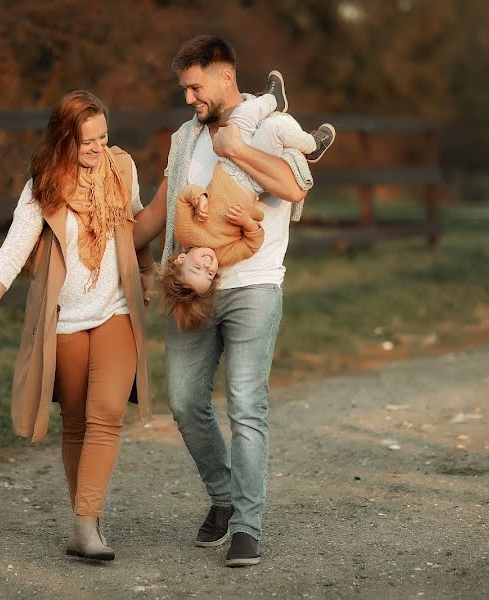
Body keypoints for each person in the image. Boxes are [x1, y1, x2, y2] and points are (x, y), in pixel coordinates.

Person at [133, 35, 315, 568]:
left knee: (245, 403)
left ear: (224, 77)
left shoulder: (268, 126)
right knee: (187, 403)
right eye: (185, 89)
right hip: (193, 288)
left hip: (254, 284)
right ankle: (224, 496)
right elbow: (157, 213)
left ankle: (247, 527)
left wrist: (235, 149)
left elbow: (295, 187)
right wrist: (112, 248)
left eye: (195, 87)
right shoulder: (184, 140)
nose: (189, 97)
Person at [0, 90, 154, 562]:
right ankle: (86, 518)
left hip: (116, 312)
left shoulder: (121, 169)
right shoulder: (44, 185)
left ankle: (85, 527)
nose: (96, 148)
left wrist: (147, 276)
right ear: (64, 138)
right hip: (65, 320)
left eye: (103, 136)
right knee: (75, 424)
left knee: (106, 414)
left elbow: (137, 223)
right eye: (86, 140)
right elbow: (12, 251)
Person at [161, 70, 336, 331]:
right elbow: (252, 244)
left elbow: (181, 198)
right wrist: (247, 222)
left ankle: (273, 99)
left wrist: (200, 198)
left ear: (180, 261)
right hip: (252, 183)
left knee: (242, 115)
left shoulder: (186, 233)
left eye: (198, 269)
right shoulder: (223, 256)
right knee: (275, 128)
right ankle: (312, 145)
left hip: (229, 166)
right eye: (209, 275)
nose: (209, 266)